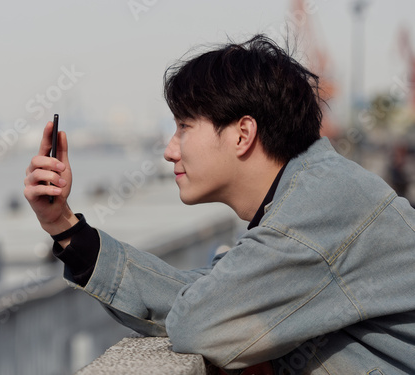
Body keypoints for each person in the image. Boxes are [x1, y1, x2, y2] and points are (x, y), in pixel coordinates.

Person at [24, 35, 415, 374]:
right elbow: (202, 297)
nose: (169, 151)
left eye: (184, 127)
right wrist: (64, 225)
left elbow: (197, 321)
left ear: (243, 134)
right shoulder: (311, 194)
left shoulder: (315, 211)